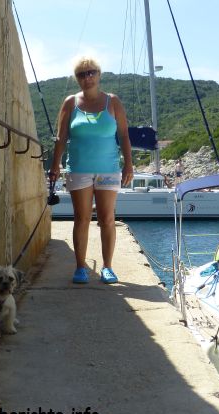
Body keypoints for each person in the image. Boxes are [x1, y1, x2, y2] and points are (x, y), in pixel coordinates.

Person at [48, 56, 134, 284]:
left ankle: (107, 266)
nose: (87, 78)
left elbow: (124, 135)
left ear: (99, 74)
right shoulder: (70, 103)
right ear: (77, 79)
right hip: (78, 169)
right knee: (82, 218)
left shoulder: (112, 102)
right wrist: (55, 165)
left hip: (108, 169)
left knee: (107, 218)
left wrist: (129, 164)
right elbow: (61, 136)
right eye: (81, 74)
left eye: (91, 72)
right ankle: (80, 268)